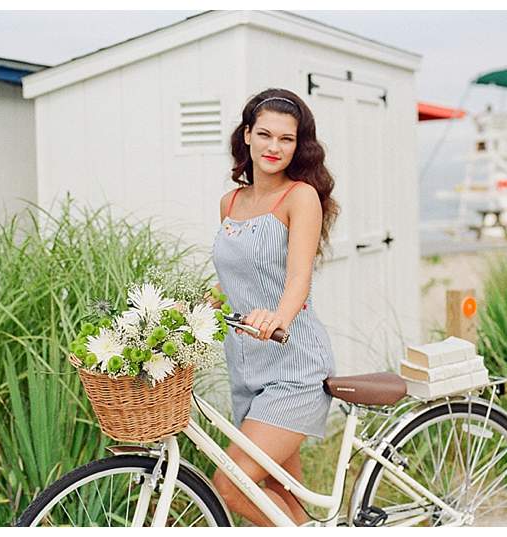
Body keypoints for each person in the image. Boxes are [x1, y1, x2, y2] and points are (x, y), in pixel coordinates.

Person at [208, 88, 340, 526]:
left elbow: (298, 277)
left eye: (286, 139)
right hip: (245, 365)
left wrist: (277, 317)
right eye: (264, 134)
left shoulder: (299, 197)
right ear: (246, 136)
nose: (273, 147)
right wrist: (191, 309)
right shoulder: (230, 203)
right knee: (282, 489)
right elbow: (235, 277)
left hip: (293, 365)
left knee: (231, 483)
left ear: (298, 145)